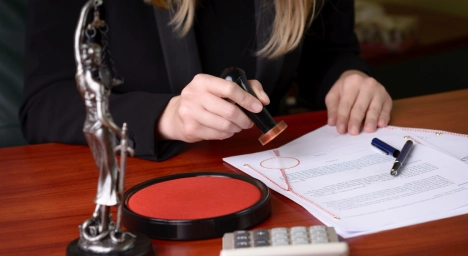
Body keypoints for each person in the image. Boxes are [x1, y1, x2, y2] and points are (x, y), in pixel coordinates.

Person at [21, 0, 392, 161]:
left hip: (272, 173)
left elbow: (327, 54)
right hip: (132, 185)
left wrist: (348, 78)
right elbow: (43, 103)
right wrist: (167, 117)